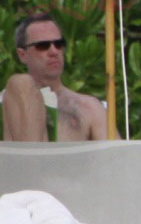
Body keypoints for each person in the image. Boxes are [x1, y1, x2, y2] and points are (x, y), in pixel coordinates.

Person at [2, 13, 111, 141]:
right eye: (43, 45)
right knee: (21, 83)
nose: (54, 51)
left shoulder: (90, 107)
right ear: (22, 55)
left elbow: (115, 152)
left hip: (73, 155)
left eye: (59, 44)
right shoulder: (8, 98)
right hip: (18, 150)